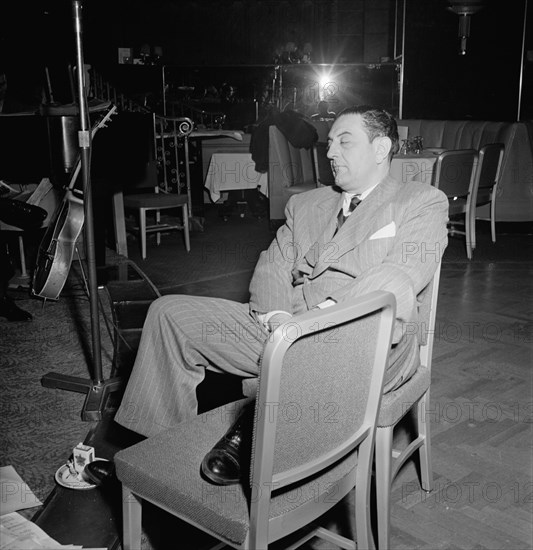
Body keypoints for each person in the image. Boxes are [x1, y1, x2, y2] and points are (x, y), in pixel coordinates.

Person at [114, 105, 449, 483]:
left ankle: (249, 434)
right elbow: (272, 266)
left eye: (344, 142)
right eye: (330, 142)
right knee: (168, 314)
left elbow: (400, 275)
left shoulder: (420, 200)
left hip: (366, 339)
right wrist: (278, 319)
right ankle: (162, 459)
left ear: (381, 148)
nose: (330, 152)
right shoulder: (306, 204)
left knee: (366, 303)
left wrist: (316, 319)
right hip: (285, 328)